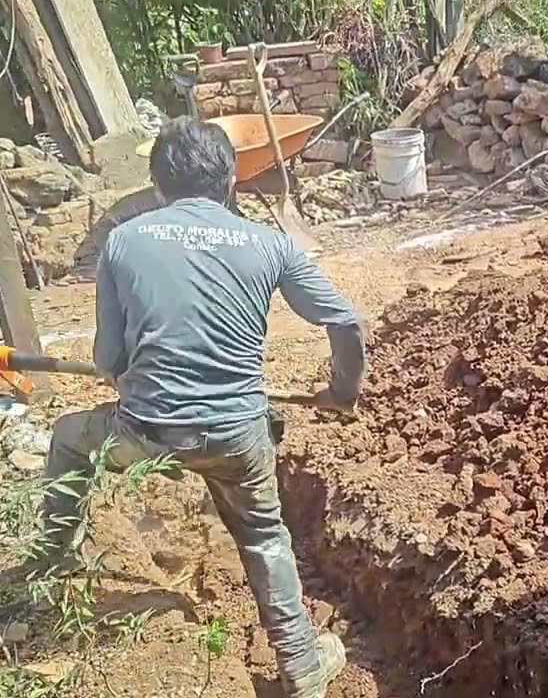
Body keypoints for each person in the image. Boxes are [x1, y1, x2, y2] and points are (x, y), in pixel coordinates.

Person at [38, 116, 364, 698]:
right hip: (238, 436)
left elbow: (108, 360)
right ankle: (302, 670)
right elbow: (345, 320)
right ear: (232, 180)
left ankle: (51, 558)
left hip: (146, 435)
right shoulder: (269, 244)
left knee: (67, 436)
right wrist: (342, 392)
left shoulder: (122, 240)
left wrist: (134, 370)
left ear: (156, 184)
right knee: (263, 537)